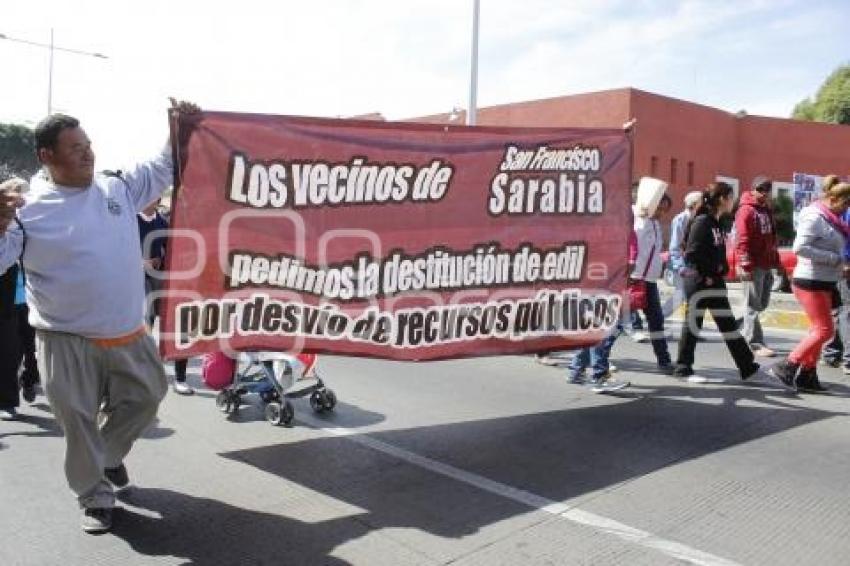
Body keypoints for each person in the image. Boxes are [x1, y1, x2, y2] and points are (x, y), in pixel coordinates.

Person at [0, 100, 198, 534]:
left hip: (128, 333)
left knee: (147, 398)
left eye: (89, 145)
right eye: (75, 148)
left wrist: (179, 128)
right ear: (46, 156)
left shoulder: (117, 188)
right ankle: (94, 494)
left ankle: (107, 457)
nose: (88, 154)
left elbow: (165, 167)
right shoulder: (25, 211)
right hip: (64, 339)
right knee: (78, 420)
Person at [673, 182, 760, 382]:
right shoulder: (703, 221)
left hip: (715, 281)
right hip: (701, 282)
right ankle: (683, 368)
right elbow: (692, 253)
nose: (733, 201)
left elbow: (717, 252)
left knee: (728, 324)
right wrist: (709, 273)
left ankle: (747, 367)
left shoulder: (717, 222)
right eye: (731, 197)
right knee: (693, 324)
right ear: (722, 199)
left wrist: (722, 268)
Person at [771, 179, 850, 392]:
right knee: (825, 330)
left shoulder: (832, 219)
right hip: (810, 279)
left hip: (824, 279)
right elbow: (800, 248)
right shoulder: (815, 216)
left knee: (817, 329)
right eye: (844, 204)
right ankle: (788, 364)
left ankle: (807, 375)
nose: (846, 209)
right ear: (832, 199)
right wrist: (834, 259)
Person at [138, 198, 195, 395]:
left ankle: (180, 378)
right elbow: (116, 250)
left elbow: (172, 250)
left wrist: (160, 259)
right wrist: (140, 263)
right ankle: (143, 374)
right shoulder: (129, 221)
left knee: (180, 322)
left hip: (163, 278)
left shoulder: (163, 222)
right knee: (145, 322)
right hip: (137, 281)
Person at [735, 175, 782, 357]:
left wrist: (776, 261)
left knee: (760, 303)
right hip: (753, 264)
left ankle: (741, 325)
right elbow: (742, 238)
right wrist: (745, 263)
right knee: (753, 305)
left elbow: (771, 238)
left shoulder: (765, 210)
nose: (763, 193)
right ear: (753, 189)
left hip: (766, 263)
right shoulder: (746, 210)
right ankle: (754, 342)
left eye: (767, 190)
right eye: (760, 189)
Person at [631, 177, 674, 374]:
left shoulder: (656, 224)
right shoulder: (634, 218)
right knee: (617, 324)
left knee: (656, 320)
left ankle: (664, 361)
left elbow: (652, 252)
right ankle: (595, 363)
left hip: (649, 281)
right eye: (660, 207)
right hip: (632, 278)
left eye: (665, 209)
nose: (662, 213)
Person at [821, 177, 850, 374]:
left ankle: (832, 352)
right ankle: (843, 357)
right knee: (845, 311)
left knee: (840, 311)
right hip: (844, 265)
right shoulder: (844, 210)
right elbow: (845, 239)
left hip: (842, 264)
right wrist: (845, 261)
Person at [662, 190, 703, 317]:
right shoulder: (681, 219)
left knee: (689, 296)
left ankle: (690, 328)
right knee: (683, 294)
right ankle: (659, 318)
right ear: (695, 204)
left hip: (691, 264)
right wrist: (680, 267)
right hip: (680, 265)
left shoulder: (698, 219)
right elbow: (675, 245)